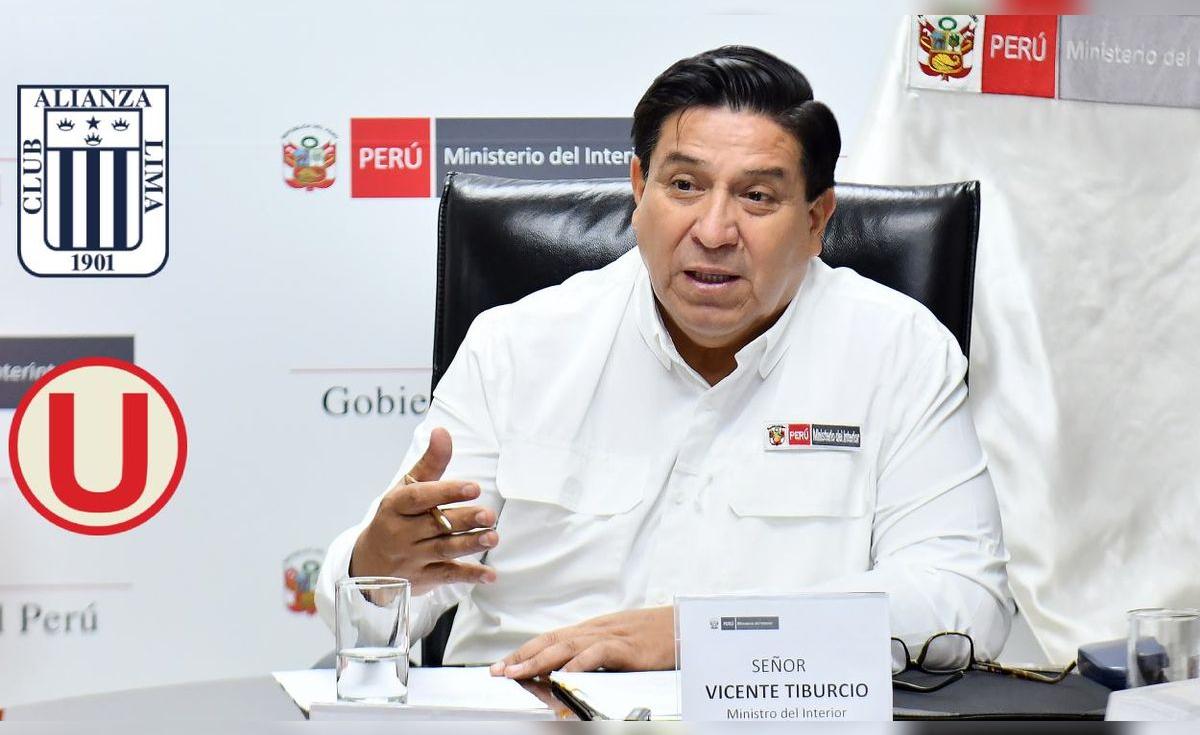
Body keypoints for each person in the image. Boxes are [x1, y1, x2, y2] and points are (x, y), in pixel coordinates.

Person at [316, 45, 1014, 679]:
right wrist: (379, 565)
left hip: (768, 716)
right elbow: (382, 611)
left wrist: (710, 635)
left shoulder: (897, 352)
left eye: (757, 196)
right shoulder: (518, 346)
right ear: (638, 189)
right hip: (529, 709)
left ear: (815, 220)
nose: (713, 230)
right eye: (683, 186)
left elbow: (964, 599)